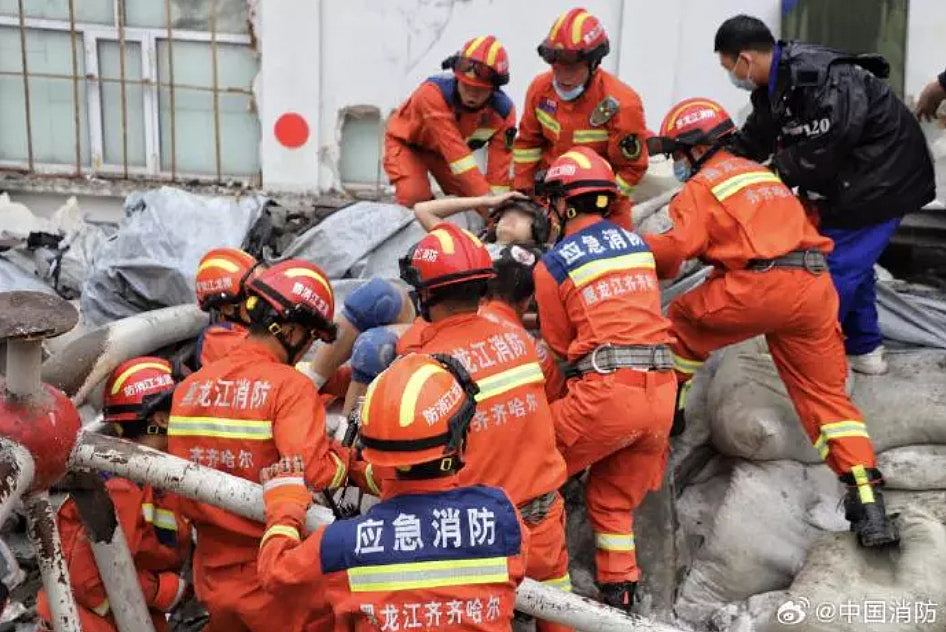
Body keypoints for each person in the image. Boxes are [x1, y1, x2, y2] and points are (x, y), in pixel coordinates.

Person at [644, 97, 899, 548]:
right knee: (826, 400)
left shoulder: (703, 189)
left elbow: (675, 251)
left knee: (681, 319)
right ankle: (867, 501)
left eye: (679, 154)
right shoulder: (763, 175)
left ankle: (669, 413)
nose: (680, 164)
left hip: (758, 289)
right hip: (815, 286)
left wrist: (638, 247)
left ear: (694, 150)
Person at [714, 14, 935, 374]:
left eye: (730, 68)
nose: (732, 76)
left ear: (745, 60)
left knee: (834, 272)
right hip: (853, 181)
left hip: (884, 179)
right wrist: (717, 168)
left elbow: (831, 141)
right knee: (854, 267)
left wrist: (774, 173)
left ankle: (822, 365)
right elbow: (754, 137)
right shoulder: (776, 86)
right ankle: (866, 350)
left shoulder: (824, 78)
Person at [256, 352, 528, 631]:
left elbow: (277, 574)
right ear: (457, 442)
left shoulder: (343, 544)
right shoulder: (502, 518)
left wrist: (284, 503)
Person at [396, 223, 573, 629]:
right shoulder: (520, 342)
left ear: (426, 294)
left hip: (482, 538)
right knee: (558, 607)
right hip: (544, 527)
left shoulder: (427, 367)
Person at [168, 259, 351, 631]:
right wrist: (346, 459)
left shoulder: (190, 389)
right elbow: (314, 473)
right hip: (277, 580)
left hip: (213, 576)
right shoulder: (289, 387)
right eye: (311, 338)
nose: (309, 348)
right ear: (290, 329)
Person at [532, 146, 676, 609]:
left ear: (563, 202)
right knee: (612, 501)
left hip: (607, 393)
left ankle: (528, 587)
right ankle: (620, 593)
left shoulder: (553, 264)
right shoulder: (636, 246)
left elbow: (559, 352)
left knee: (529, 471)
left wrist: (539, 416)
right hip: (661, 393)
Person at [38, 358, 190, 632]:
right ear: (161, 418)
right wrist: (167, 591)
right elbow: (90, 579)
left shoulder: (150, 474)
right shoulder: (120, 486)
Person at [513, 7, 649, 230]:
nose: (563, 75)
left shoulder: (623, 104)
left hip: (603, 208)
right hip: (549, 201)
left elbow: (631, 169)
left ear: (593, 63)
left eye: (572, 67)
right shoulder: (540, 89)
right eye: (557, 65)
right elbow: (528, 144)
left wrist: (600, 204)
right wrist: (525, 195)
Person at [384, 36, 516, 209]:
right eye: (467, 86)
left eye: (479, 90)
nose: (471, 94)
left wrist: (498, 211)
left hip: (443, 156)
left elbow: (499, 173)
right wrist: (487, 202)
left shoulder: (504, 113)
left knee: (474, 205)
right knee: (414, 197)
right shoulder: (432, 94)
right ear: (457, 78)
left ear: (494, 89)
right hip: (407, 144)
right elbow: (456, 153)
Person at [194, 247, 259, 367]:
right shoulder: (218, 340)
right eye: (253, 299)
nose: (262, 304)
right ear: (227, 308)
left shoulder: (247, 328)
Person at [412, 190, 551, 246]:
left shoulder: (536, 266)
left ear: (535, 234)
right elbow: (422, 210)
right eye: (507, 212)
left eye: (523, 216)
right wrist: (486, 201)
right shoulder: (472, 248)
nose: (511, 217)